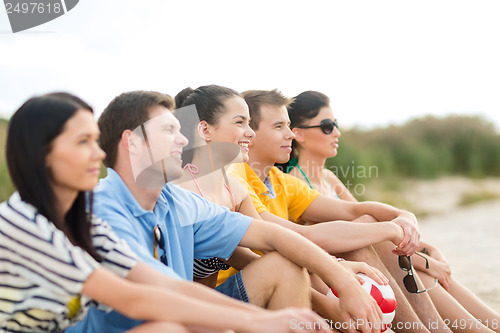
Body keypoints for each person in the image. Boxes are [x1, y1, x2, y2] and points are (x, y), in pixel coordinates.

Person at [0, 92, 331, 333]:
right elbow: (135, 300)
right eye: (83, 142)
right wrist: (254, 321)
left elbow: (168, 286)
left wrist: (266, 320)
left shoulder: (80, 221)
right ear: (43, 153)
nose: (98, 152)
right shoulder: (27, 224)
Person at [70, 90, 384, 333]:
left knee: (282, 266)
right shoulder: (100, 209)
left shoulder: (176, 201)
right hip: (153, 321)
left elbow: (273, 235)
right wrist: (254, 321)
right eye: (169, 130)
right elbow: (160, 294)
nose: (183, 138)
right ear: (133, 143)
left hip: (181, 315)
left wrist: (341, 279)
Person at [227, 89, 463, 333]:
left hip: (294, 276)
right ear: (252, 135)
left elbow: (352, 210)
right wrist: (389, 230)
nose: (290, 134)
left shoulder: (279, 180)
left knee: (367, 223)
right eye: (279, 127)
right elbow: (300, 237)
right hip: (257, 285)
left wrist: (403, 216)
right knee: (363, 235)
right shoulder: (236, 177)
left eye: (289, 125)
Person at [173, 85, 396, 326]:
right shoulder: (181, 191)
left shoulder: (233, 191)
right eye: (240, 123)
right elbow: (278, 244)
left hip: (213, 304)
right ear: (205, 129)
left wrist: (335, 280)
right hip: (180, 312)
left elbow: (265, 250)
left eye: (249, 123)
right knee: (284, 264)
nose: (250, 132)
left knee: (287, 261)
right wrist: (340, 279)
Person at [285, 90, 500, 333]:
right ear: (298, 134)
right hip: (343, 273)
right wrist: (425, 262)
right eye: (326, 126)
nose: (337, 132)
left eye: (335, 124)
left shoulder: (328, 178)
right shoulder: (295, 184)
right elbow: (365, 234)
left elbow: (374, 230)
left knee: (426, 271)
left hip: (377, 263)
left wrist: (427, 250)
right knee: (424, 272)